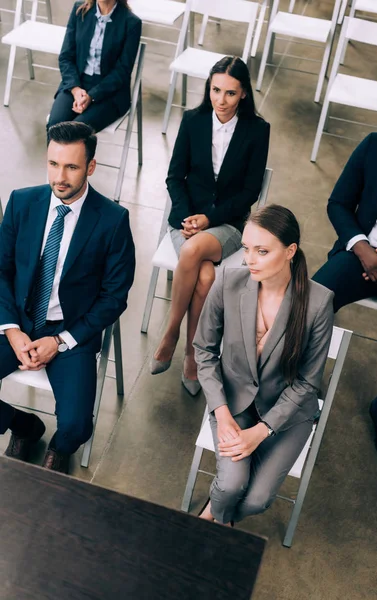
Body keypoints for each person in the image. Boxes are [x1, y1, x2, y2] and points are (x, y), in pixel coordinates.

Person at [0, 121, 135, 474]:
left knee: (76, 426)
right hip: (19, 319)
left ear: (91, 166)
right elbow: (1, 270)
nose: (60, 176)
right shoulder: (22, 202)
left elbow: (114, 296)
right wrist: (12, 331)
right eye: (53, 164)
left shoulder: (113, 220)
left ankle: (59, 449)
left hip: (70, 330)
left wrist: (59, 342)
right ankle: (23, 424)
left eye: (72, 167)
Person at [193, 205, 334, 525]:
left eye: (262, 251)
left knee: (257, 500)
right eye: (246, 248)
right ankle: (217, 518)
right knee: (230, 485)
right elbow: (203, 349)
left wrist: (262, 431)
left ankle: (215, 514)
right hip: (234, 402)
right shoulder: (229, 278)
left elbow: (308, 383)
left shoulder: (318, 302)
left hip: (288, 413)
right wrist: (222, 413)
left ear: (290, 251)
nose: (249, 259)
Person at [151, 56, 270, 396]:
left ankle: (170, 333)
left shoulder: (257, 131)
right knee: (204, 277)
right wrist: (189, 216)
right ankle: (192, 355)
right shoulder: (193, 121)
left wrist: (209, 219)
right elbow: (175, 177)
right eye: (216, 90)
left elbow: (249, 192)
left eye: (230, 93)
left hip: (227, 224)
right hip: (186, 219)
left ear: (244, 94)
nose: (221, 99)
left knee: (193, 250)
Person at [313, 132, 377, 463]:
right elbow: (338, 203)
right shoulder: (376, 146)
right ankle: (298, 385)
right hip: (360, 252)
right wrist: (363, 249)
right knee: (308, 302)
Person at [47, 0, 141, 132]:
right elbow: (66, 57)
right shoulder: (80, 10)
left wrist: (92, 95)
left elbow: (122, 72)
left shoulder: (131, 22)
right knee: (55, 126)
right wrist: (75, 89)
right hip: (76, 83)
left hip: (110, 93)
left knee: (75, 130)